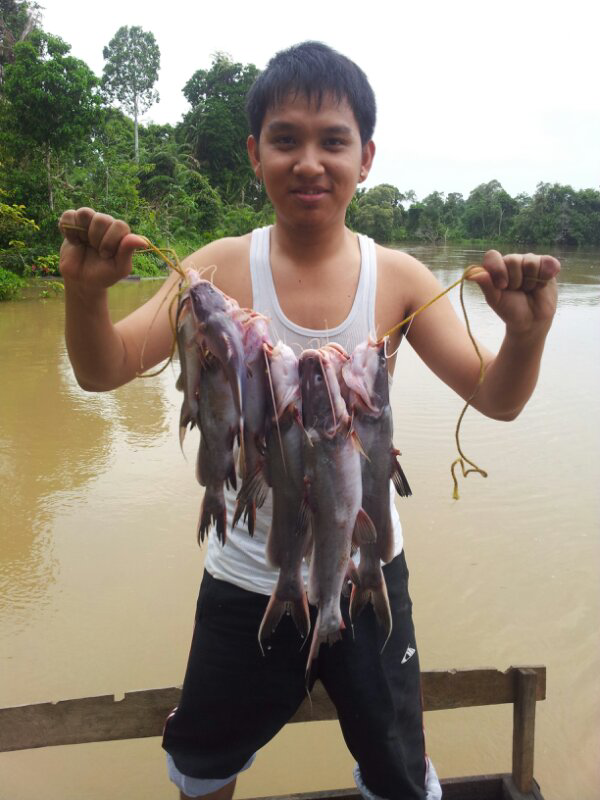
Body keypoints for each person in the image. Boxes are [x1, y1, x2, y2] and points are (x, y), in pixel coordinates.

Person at [58, 42, 560, 800]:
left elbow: (495, 397)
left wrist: (526, 335)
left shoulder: (401, 278)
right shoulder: (216, 271)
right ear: (255, 153)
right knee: (203, 763)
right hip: (245, 573)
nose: (310, 161)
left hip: (366, 577)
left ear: (367, 158)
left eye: (334, 140)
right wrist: (86, 296)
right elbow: (106, 370)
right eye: (286, 139)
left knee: (397, 766)